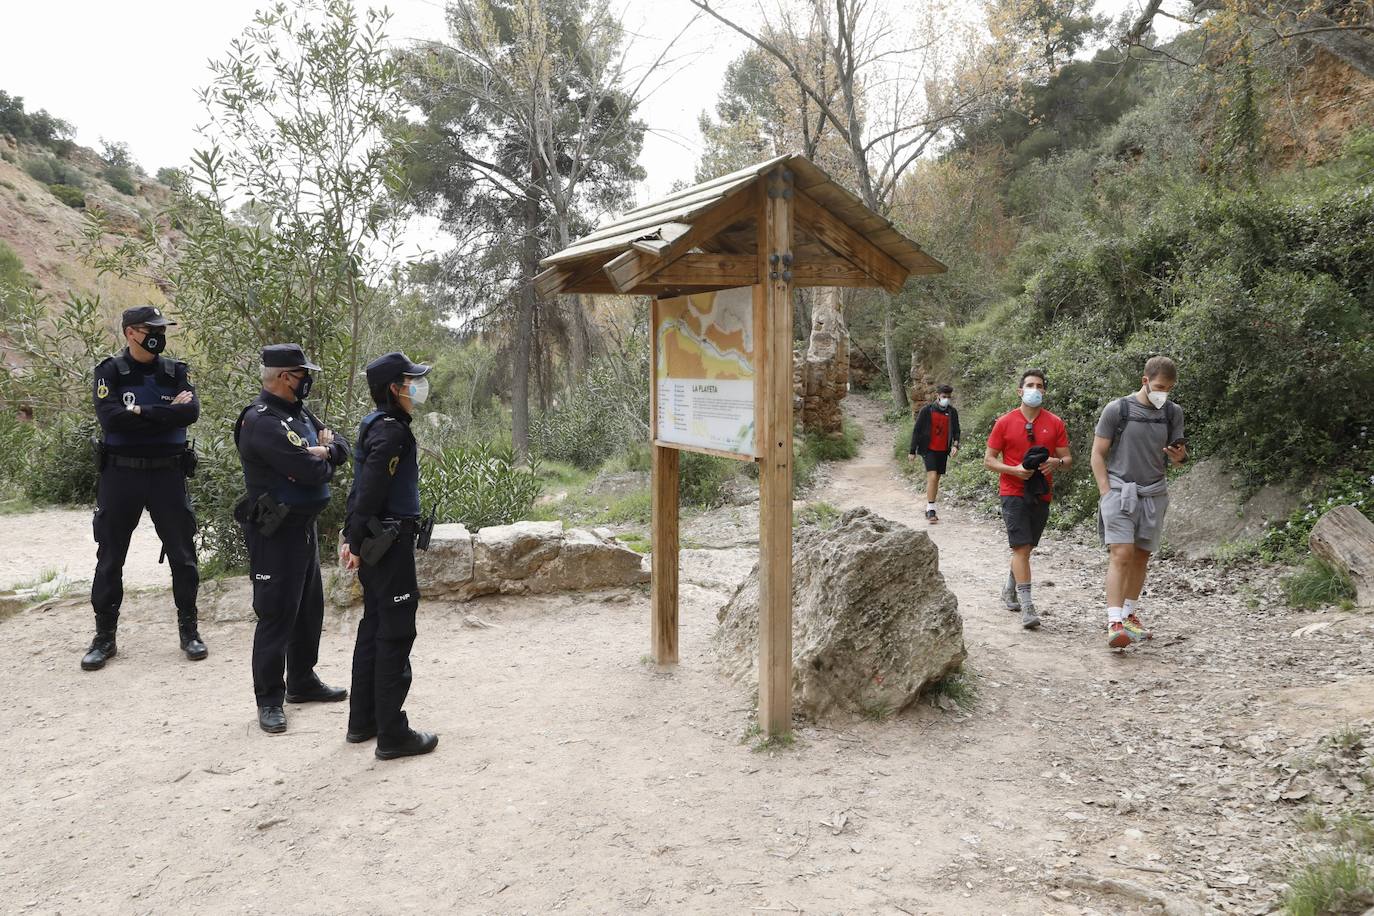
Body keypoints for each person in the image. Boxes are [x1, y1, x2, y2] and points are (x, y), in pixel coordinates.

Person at [235, 344, 351, 734]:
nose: (308, 380)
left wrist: (327, 450)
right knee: (276, 614)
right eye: (303, 374)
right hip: (276, 532)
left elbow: (341, 445)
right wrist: (320, 456)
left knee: (308, 610)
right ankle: (269, 699)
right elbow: (308, 472)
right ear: (285, 377)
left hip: (303, 527)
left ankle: (301, 681)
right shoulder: (262, 421)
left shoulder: (297, 413)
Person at [83, 306, 203, 671]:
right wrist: (164, 412)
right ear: (131, 333)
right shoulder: (110, 371)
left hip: (168, 475)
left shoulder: (175, 371)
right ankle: (105, 638)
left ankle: (190, 632)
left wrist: (138, 413)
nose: (159, 335)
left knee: (183, 556)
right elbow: (110, 418)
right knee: (110, 558)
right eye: (152, 328)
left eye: (161, 329)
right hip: (121, 476)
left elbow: (191, 412)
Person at [340, 352, 439, 761]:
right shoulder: (391, 432)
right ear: (393, 389)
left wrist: (352, 534)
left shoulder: (376, 425)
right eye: (410, 380)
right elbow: (373, 488)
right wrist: (358, 538)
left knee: (374, 627)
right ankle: (393, 734)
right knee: (395, 632)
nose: (417, 387)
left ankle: (363, 721)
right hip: (390, 543)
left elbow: (361, 487)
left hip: (379, 540)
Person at [1090, 356, 1187, 649]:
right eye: (1159, 386)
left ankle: (1130, 615)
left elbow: (1181, 458)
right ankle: (1114, 621)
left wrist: (1179, 458)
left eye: (1169, 388)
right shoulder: (1117, 409)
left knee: (1142, 556)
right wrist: (1106, 491)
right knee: (1121, 553)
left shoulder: (1173, 412)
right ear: (1145, 381)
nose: (1163, 393)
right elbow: (1097, 454)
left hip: (1154, 492)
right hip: (1120, 490)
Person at [984, 368, 1072, 630]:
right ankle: (1028, 606)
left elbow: (1067, 460)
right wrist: (1014, 471)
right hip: (1012, 492)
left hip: (1041, 492)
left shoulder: (1055, 422)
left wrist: (1055, 463)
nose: (1035, 389)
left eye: (1040, 385)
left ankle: (1008, 589)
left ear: (1044, 391)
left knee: (1027, 548)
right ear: (1020, 391)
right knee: (1020, 548)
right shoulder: (1004, 422)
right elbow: (988, 460)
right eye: (1030, 385)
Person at [907, 384, 961, 524]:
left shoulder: (952, 412)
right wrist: (912, 450)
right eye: (944, 397)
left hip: (943, 450)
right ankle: (931, 509)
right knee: (932, 476)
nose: (946, 400)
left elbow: (956, 430)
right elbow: (917, 430)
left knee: (936, 478)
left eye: (949, 397)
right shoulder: (927, 410)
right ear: (937, 396)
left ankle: (930, 505)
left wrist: (955, 445)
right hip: (928, 449)